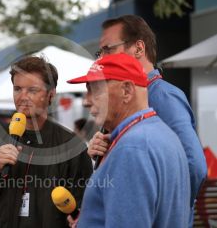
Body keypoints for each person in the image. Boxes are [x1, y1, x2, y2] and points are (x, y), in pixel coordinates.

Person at [87, 15, 206, 224]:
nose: (101, 58)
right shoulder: (137, 101)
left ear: (139, 48)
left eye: (108, 49)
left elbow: (195, 166)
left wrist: (170, 213)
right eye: (100, 52)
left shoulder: (163, 96)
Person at [67, 53, 191, 227]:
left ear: (126, 91)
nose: (86, 101)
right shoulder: (160, 133)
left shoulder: (132, 148)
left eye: (95, 89)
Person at [0, 56, 93, 228]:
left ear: (51, 95)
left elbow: (86, 210)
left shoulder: (72, 146)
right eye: (17, 89)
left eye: (32, 90)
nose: (23, 97)